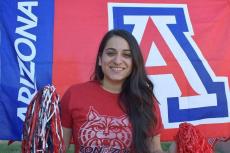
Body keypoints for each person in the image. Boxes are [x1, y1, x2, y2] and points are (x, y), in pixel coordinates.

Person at [60, 29, 171, 153]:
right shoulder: (74, 95)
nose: (118, 60)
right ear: (100, 60)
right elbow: (59, 148)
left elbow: (154, 149)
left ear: (134, 62)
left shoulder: (145, 101)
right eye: (111, 53)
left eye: (127, 55)